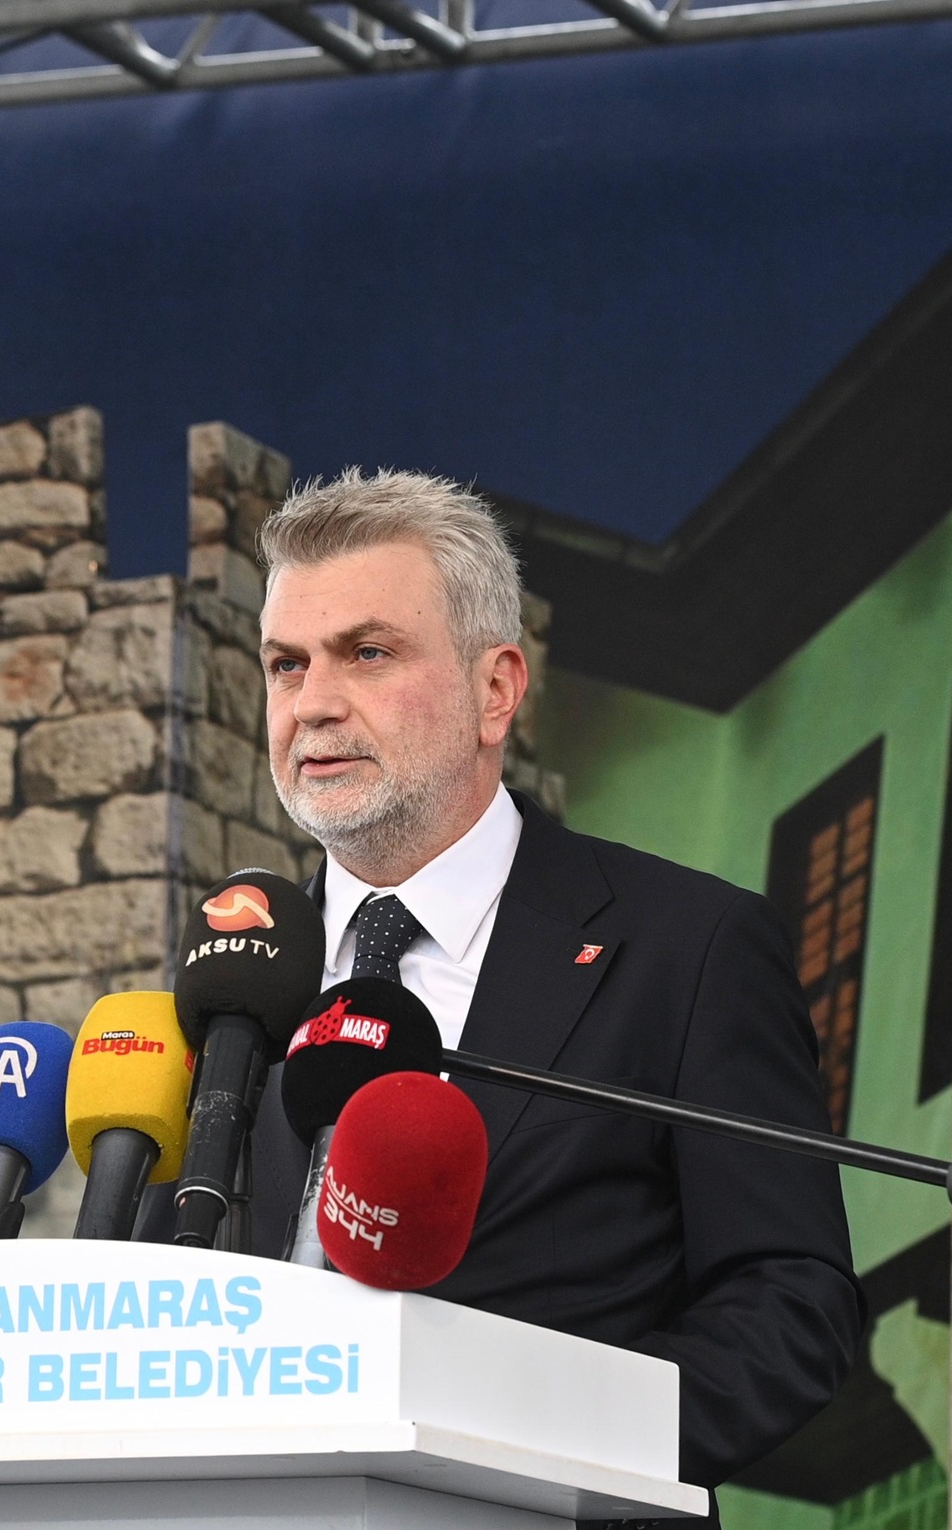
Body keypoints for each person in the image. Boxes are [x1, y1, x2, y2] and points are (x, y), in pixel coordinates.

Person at [247, 470, 861, 1525]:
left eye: (368, 653)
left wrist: (536, 1448)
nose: (312, 704)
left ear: (495, 691)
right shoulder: (237, 974)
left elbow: (788, 1306)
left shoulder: (688, 948)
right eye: (285, 664)